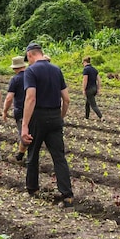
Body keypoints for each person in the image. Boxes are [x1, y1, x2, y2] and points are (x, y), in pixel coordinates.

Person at [21, 42, 74, 207]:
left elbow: (31, 98)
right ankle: (67, 194)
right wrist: (60, 116)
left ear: (30, 55)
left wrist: (24, 125)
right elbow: (66, 99)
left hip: (38, 116)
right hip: (55, 116)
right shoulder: (56, 69)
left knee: (33, 153)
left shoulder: (31, 70)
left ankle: (33, 188)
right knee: (59, 157)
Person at [2, 55, 28, 163]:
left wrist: (5, 111)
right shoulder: (32, 76)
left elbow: (9, 98)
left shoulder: (15, 79)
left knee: (24, 134)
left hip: (21, 111)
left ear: (15, 68)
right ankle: (23, 155)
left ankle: (20, 157)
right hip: (35, 110)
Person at [82, 56, 103, 120]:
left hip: (89, 89)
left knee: (93, 105)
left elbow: (85, 80)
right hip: (94, 89)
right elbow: (99, 80)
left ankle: (101, 117)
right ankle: (86, 117)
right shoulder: (94, 69)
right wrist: (99, 89)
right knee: (87, 103)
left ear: (85, 62)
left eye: (82, 63)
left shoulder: (86, 69)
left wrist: (83, 89)